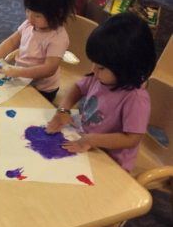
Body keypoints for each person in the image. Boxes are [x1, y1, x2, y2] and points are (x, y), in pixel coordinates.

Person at [46, 12, 157, 172]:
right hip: (85, 140)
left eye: (101, 67)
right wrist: (63, 109)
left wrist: (92, 140)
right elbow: (78, 87)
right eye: (94, 63)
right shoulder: (100, 76)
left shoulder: (136, 98)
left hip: (111, 162)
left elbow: (132, 138)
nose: (93, 70)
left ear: (127, 67)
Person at [0, 0, 77, 102]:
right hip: (20, 78)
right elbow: (11, 42)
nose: (29, 18)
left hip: (42, 89)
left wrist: (19, 72)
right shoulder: (29, 24)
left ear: (58, 13)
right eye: (28, 11)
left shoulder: (58, 38)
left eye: (37, 15)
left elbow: (48, 70)